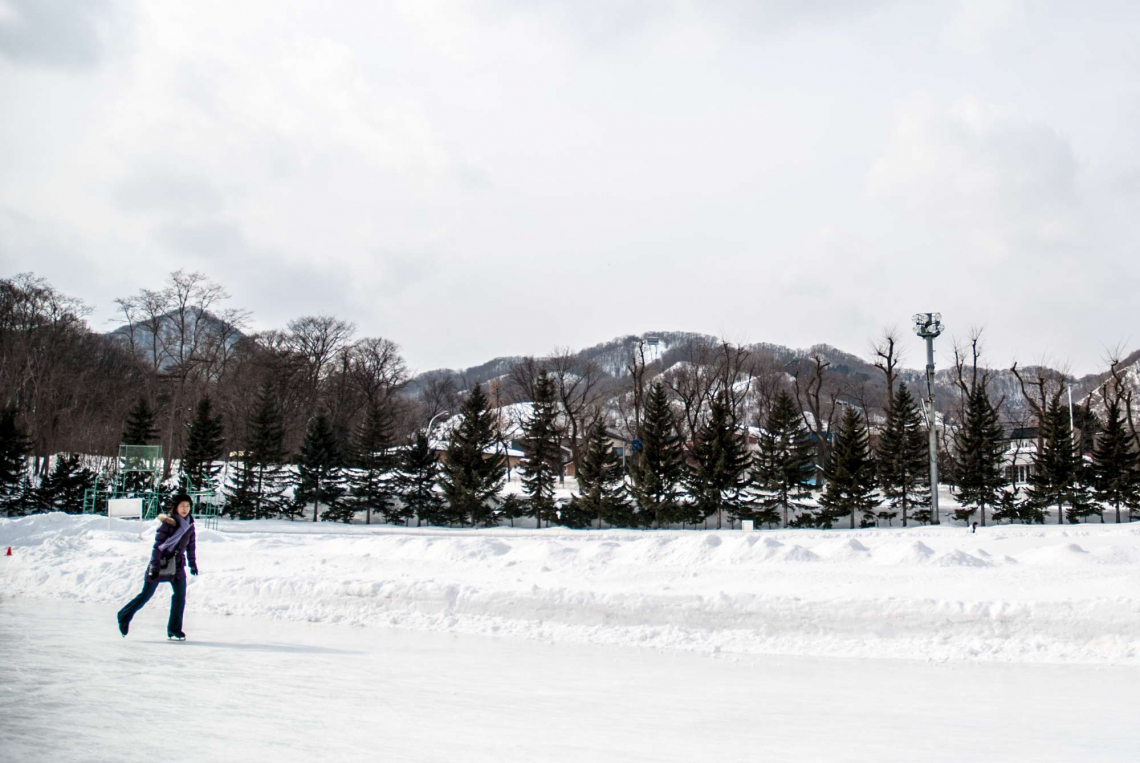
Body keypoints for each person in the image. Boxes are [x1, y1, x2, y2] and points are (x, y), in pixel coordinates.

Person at [117, 494, 198, 640]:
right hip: (160, 563)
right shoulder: (167, 524)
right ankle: (124, 615)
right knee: (146, 595)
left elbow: (191, 546)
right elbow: (157, 548)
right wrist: (154, 568)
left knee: (180, 597)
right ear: (176, 507)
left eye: (187, 506)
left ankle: (174, 629)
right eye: (182, 506)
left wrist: (193, 564)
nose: (185, 509)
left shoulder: (190, 525)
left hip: (178, 565)